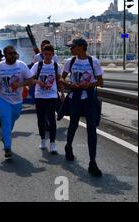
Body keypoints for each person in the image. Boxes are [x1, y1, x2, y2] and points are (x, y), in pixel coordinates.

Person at [60, 38, 104, 177]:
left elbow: (101, 82)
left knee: (92, 129)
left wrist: (88, 85)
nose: (70, 49)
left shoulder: (93, 61)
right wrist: (70, 85)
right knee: (73, 125)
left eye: (72, 47)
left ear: (81, 47)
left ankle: (93, 162)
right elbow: (61, 78)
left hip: (89, 99)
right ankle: (68, 146)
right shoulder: (70, 61)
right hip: (75, 98)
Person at [0, 46, 33, 160]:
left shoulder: (21, 65)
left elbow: (30, 80)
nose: (13, 55)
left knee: (13, 118)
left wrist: (20, 85)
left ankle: (5, 136)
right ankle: (7, 147)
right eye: (10, 53)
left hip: (17, 100)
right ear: (5, 55)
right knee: (6, 121)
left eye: (14, 53)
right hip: (2, 98)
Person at [30, 44, 64, 155]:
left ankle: (53, 143)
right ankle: (43, 140)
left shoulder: (56, 66)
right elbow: (30, 79)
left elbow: (59, 80)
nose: (48, 56)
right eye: (46, 54)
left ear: (53, 54)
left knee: (51, 119)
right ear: (42, 54)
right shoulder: (37, 65)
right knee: (41, 119)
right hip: (39, 96)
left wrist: (62, 93)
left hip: (52, 96)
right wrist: (38, 82)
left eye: (50, 54)